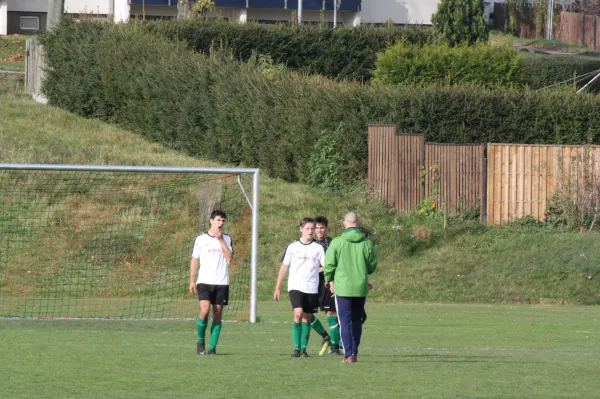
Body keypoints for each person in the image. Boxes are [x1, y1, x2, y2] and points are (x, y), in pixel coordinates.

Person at [324, 212, 377, 364]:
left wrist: (328, 279)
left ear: (344, 223)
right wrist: (363, 272)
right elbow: (372, 264)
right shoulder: (367, 243)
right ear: (358, 223)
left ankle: (348, 353)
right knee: (356, 320)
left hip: (343, 288)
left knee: (344, 321)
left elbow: (329, 264)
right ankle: (354, 352)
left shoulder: (337, 242)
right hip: (360, 287)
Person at [274, 217, 330, 358]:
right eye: (308, 229)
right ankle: (296, 348)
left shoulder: (318, 248)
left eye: (312, 228)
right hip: (295, 285)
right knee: (298, 314)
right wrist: (277, 287)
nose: (311, 231)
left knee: (307, 317)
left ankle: (304, 349)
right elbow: (284, 266)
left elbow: (326, 266)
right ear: (301, 229)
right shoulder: (293, 247)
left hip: (311, 287)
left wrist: (326, 277)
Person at [189, 210, 234, 355]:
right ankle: (201, 340)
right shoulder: (201, 239)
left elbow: (229, 258)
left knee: (217, 313)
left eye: (223, 221)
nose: (221, 223)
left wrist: (220, 240)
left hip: (221, 282)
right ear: (211, 221)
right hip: (204, 281)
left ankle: (212, 348)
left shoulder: (226, 239)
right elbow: (195, 259)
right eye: (218, 220)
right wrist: (192, 279)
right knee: (205, 309)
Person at [313, 216, 341, 356]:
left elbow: (332, 264)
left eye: (322, 228)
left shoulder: (331, 243)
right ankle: (326, 336)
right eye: (316, 228)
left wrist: (318, 270)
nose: (319, 231)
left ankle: (335, 346)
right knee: (306, 314)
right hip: (311, 284)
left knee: (331, 313)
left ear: (326, 228)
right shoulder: (309, 243)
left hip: (327, 283)